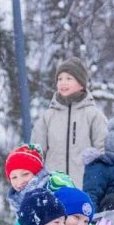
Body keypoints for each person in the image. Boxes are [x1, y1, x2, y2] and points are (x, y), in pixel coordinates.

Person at [31, 57, 108, 188]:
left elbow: (103, 150)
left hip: (85, 188)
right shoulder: (48, 117)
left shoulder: (93, 115)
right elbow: (36, 153)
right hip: (54, 189)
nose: (63, 83)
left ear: (81, 84)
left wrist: (100, 180)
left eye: (68, 78)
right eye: (59, 79)